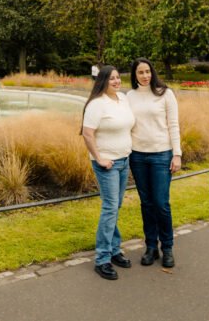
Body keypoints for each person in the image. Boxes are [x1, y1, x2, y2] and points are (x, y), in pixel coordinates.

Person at [81, 65, 135, 281]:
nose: (116, 81)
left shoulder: (123, 99)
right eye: (111, 78)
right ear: (102, 81)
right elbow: (87, 133)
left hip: (124, 160)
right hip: (107, 165)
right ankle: (102, 259)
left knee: (115, 206)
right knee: (110, 208)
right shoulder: (97, 104)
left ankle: (114, 250)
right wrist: (99, 158)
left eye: (118, 78)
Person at [127, 57, 181, 268]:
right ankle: (151, 247)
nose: (145, 76)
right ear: (135, 75)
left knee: (161, 203)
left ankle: (167, 248)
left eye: (148, 71)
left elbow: (174, 125)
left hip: (161, 155)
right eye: (140, 72)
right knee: (147, 204)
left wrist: (177, 154)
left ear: (153, 72)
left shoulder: (165, 94)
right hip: (138, 156)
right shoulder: (129, 96)